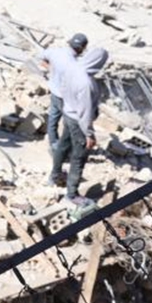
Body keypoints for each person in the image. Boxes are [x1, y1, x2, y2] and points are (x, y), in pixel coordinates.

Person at [49, 47, 110, 201]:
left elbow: (62, 88)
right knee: (79, 157)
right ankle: (72, 194)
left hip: (68, 113)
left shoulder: (73, 68)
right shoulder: (86, 83)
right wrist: (89, 134)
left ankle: (54, 176)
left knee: (63, 145)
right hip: (78, 120)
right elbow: (85, 113)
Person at [37, 32, 87, 158]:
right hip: (67, 98)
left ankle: (53, 146)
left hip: (54, 92)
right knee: (69, 125)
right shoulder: (75, 64)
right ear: (81, 48)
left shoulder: (55, 52)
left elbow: (41, 58)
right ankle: (62, 151)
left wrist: (51, 68)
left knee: (53, 121)